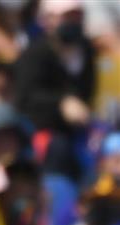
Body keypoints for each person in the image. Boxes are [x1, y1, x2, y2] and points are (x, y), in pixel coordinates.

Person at [13, 0, 95, 180]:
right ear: (48, 20)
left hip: (79, 131)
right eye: (66, 16)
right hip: (43, 131)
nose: (73, 21)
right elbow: (24, 100)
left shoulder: (86, 49)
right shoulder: (34, 55)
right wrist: (60, 103)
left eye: (77, 15)